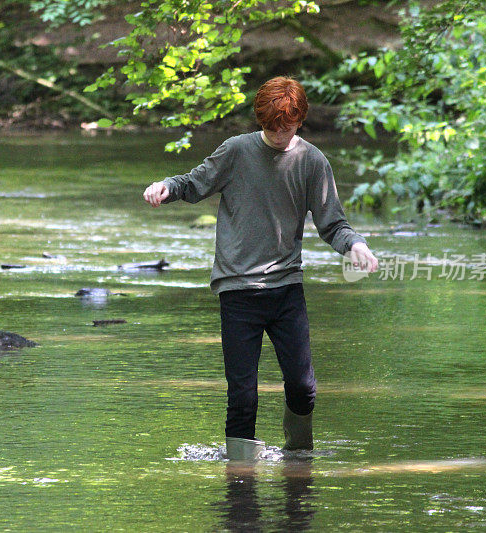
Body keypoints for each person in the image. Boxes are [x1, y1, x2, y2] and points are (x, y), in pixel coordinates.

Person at [143, 76, 378, 460]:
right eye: (271, 127)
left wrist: (355, 245)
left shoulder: (311, 161)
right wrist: (165, 187)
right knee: (242, 395)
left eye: (285, 127)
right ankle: (240, 481)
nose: (279, 134)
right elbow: (193, 182)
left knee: (303, 387)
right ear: (260, 121)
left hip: (286, 289)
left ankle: (298, 461)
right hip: (238, 291)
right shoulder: (236, 151)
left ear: (299, 120)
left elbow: (333, 223)